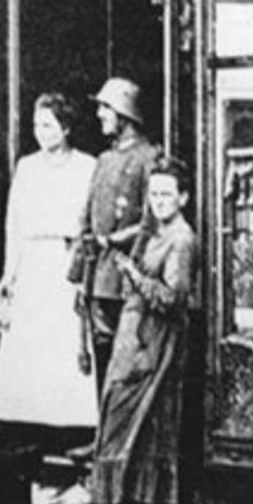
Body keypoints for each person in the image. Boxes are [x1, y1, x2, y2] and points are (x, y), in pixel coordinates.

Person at [89, 154, 201, 504]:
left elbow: (173, 298)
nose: (159, 201)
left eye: (167, 194)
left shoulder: (182, 239)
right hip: (134, 334)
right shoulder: (152, 232)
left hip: (158, 339)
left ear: (183, 197)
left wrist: (132, 274)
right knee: (122, 415)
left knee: (151, 425)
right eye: (154, 193)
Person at [0, 93, 98, 430]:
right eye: (36, 125)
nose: (40, 132)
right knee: (31, 345)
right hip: (33, 262)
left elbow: (93, 222)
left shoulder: (87, 166)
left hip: (68, 261)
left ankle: (71, 427)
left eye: (48, 125)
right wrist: (10, 274)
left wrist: (85, 271)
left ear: (66, 128)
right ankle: (29, 425)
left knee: (66, 341)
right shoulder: (27, 167)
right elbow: (15, 223)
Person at [72, 78, 159, 390]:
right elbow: (86, 217)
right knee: (102, 365)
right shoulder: (104, 160)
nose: (100, 115)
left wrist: (119, 247)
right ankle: (106, 436)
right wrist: (81, 274)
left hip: (130, 280)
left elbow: (153, 222)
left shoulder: (150, 158)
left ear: (125, 113)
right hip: (99, 279)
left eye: (105, 108)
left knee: (128, 369)